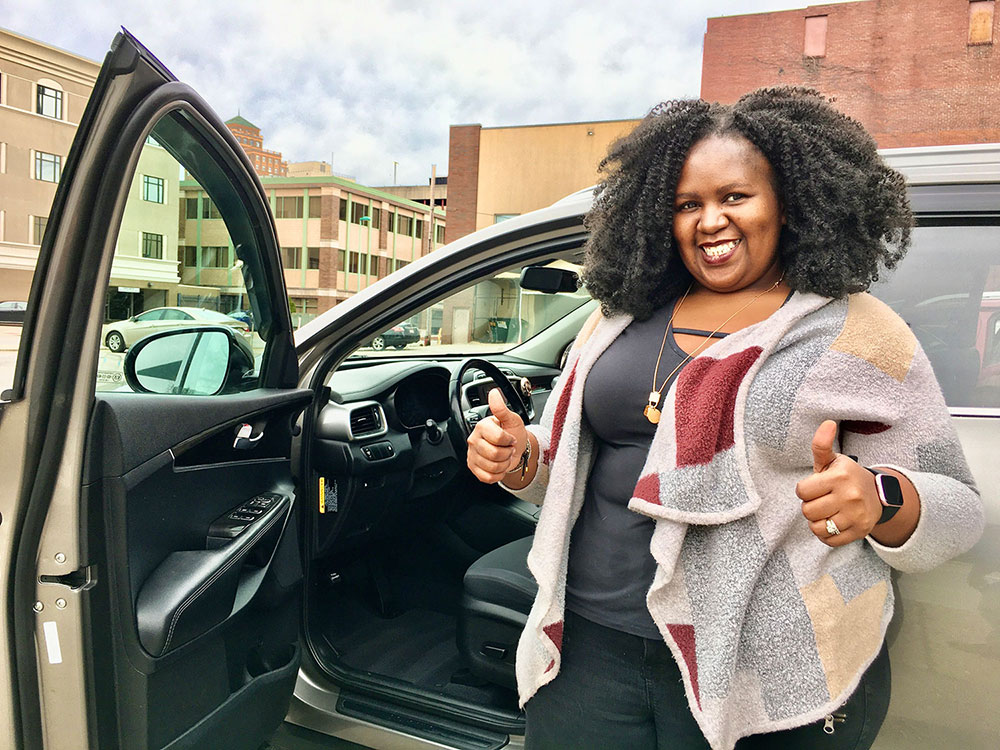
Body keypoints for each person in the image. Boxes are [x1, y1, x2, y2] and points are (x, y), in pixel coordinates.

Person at [465, 87, 984, 750]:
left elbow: (958, 507)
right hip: (589, 643)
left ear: (787, 204)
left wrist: (881, 496)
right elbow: (568, 464)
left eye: (735, 196)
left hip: (759, 665)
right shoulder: (617, 318)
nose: (710, 221)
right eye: (688, 204)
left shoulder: (856, 331)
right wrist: (522, 459)